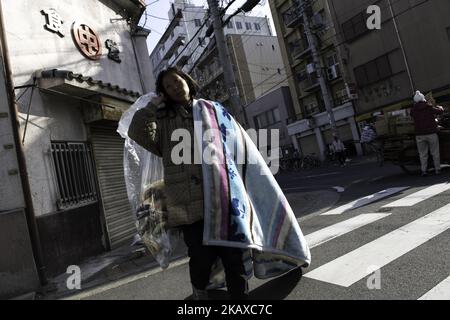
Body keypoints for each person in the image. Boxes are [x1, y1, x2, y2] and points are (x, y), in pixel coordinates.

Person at [127, 67, 248, 300]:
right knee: (201, 257)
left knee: (234, 255)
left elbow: (233, 142)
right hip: (186, 202)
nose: (174, 88)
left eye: (176, 81)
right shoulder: (161, 119)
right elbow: (136, 131)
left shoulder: (210, 110)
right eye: (167, 87)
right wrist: (154, 104)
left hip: (221, 195)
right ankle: (200, 293)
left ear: (186, 80)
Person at [410, 90, 444, 176]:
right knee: (435, 152)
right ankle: (437, 169)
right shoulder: (428, 107)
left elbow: (412, 115)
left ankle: (424, 170)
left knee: (422, 154)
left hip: (419, 135)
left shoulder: (413, 110)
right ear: (423, 98)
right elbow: (439, 111)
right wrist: (440, 107)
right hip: (431, 133)